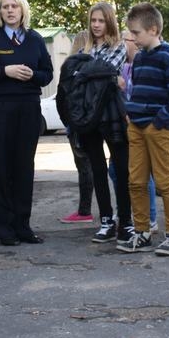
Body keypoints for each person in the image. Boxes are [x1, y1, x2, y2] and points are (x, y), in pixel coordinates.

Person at [0, 0, 53, 246]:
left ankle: (22, 226)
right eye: (5, 6)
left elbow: (47, 74)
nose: (9, 10)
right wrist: (4, 71)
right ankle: (3, 227)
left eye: (14, 6)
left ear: (22, 9)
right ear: (0, 11)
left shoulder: (35, 39)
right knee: (1, 169)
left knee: (24, 168)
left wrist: (33, 75)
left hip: (28, 109)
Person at [117, 2, 169, 256]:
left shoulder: (167, 57)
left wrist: (159, 121)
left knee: (164, 182)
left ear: (153, 30)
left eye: (136, 33)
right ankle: (142, 233)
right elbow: (135, 89)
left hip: (160, 129)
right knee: (135, 182)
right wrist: (131, 112)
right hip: (136, 127)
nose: (133, 38)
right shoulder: (139, 58)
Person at [73, 2, 131, 244]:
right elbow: (76, 75)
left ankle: (126, 222)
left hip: (112, 115)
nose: (96, 25)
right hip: (89, 118)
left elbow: (106, 70)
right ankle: (106, 221)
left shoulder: (119, 45)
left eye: (101, 20)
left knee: (122, 170)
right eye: (93, 20)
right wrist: (104, 77)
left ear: (109, 22)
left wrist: (88, 73)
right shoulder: (84, 47)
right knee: (97, 170)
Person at [116, 30, 159, 234]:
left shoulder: (144, 62)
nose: (122, 44)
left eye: (125, 39)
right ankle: (126, 212)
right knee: (118, 171)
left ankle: (150, 218)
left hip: (143, 124)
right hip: (126, 124)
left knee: (145, 174)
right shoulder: (124, 67)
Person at [59, 31, 97, 227]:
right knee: (96, 166)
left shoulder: (70, 67)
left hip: (76, 125)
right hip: (93, 122)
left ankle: (84, 210)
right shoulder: (94, 65)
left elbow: (62, 97)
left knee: (84, 167)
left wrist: (68, 123)